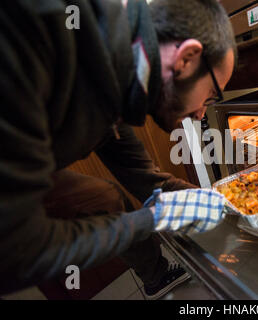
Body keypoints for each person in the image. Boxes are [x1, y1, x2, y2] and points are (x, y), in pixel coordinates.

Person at [0, 0, 237, 299]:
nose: (202, 114)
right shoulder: (39, 30)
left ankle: (156, 277)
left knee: (106, 198)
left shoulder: (115, 81)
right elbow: (16, 251)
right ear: (187, 58)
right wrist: (153, 219)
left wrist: (221, 202)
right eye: (211, 94)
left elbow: (144, 178)